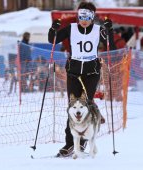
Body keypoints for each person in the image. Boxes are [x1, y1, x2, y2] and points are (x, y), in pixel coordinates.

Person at [48, 1, 116, 157]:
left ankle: (84, 140)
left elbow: (110, 45)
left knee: (85, 103)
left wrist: (109, 29)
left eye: (87, 17)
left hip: (91, 73)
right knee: (73, 106)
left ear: (93, 17)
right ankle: (70, 143)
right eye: (81, 16)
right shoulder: (71, 29)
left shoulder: (98, 30)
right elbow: (52, 40)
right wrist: (54, 27)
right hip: (73, 72)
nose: (84, 20)